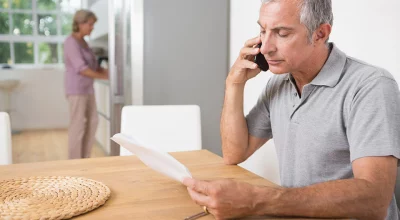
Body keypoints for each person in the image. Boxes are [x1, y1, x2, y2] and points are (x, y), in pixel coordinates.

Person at [183, 0, 400, 219]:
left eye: (282, 33)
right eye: (263, 30)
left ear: (320, 34)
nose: (265, 47)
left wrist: (256, 200)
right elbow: (234, 152)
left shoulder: (371, 86)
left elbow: (375, 198)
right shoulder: (279, 84)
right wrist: (234, 84)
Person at [64, 10, 108, 159]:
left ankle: (85, 158)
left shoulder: (84, 43)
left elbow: (94, 66)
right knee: (78, 126)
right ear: (80, 23)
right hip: (76, 90)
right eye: (90, 24)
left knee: (92, 122)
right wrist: (103, 76)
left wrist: (107, 72)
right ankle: (75, 162)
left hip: (88, 89)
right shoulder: (71, 42)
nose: (92, 28)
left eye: (93, 24)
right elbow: (81, 68)